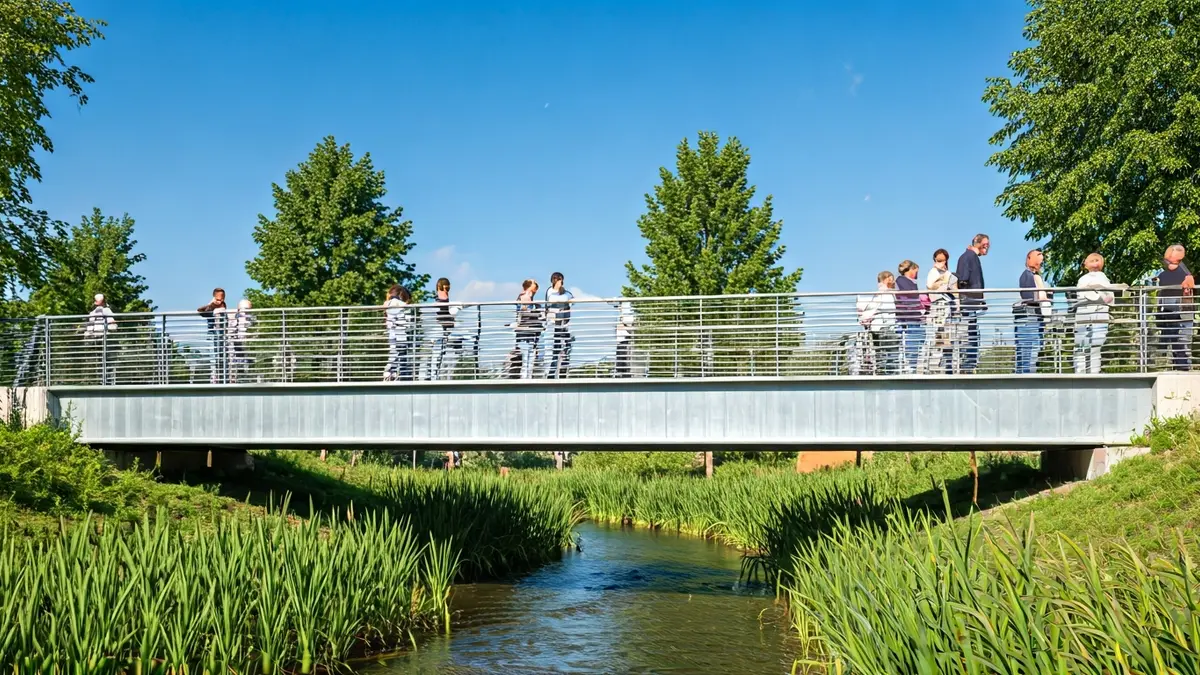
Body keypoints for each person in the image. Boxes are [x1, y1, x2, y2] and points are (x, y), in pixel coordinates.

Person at [1073, 253, 1115, 374]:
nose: (1095, 263)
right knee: (1081, 343)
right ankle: (1079, 370)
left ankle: (1095, 370)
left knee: (1097, 343)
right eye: (1092, 260)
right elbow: (1080, 295)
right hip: (1084, 313)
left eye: (1098, 260)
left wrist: (1098, 296)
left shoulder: (1104, 278)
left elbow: (1109, 298)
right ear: (1085, 264)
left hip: (1100, 312)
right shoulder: (1082, 279)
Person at [954, 234, 989, 374]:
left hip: (972, 303)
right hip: (968, 304)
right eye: (985, 243)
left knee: (973, 336)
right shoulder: (968, 257)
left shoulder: (971, 257)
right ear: (977, 242)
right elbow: (962, 279)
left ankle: (970, 365)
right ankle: (967, 367)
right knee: (970, 336)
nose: (987, 246)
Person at [1157, 245, 1194, 371]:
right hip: (1169, 309)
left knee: (1182, 340)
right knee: (1172, 340)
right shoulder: (1163, 275)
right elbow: (1161, 295)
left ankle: (1183, 367)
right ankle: (1176, 367)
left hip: (1182, 308)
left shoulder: (1185, 274)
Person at [922, 248, 958, 374]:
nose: (942, 262)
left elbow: (954, 290)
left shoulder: (948, 274)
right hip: (938, 305)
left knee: (947, 337)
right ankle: (934, 366)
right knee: (937, 334)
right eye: (939, 260)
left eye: (944, 260)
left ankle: (947, 366)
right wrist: (943, 279)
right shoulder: (933, 272)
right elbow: (930, 286)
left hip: (948, 306)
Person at [1015, 249, 1051, 374]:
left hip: (1034, 316)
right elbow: (1028, 295)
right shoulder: (1028, 275)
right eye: (1037, 256)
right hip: (1030, 316)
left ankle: (1027, 373)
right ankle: (1026, 375)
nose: (1040, 259)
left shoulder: (1034, 276)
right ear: (1029, 258)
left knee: (1031, 350)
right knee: (1028, 350)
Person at [858, 271, 898, 375]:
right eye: (891, 279)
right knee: (891, 353)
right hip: (885, 327)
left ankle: (881, 372)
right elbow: (887, 310)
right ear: (886, 279)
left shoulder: (877, 294)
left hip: (876, 327)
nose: (893, 282)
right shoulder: (887, 294)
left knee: (880, 352)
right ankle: (889, 374)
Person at [424, 278, 461, 380]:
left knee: (434, 355)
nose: (447, 290)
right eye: (446, 287)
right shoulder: (442, 297)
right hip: (439, 329)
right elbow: (442, 314)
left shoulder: (437, 298)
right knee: (437, 354)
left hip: (437, 329)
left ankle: (431, 376)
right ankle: (433, 377)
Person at [895, 260, 925, 374]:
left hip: (913, 317)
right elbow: (905, 300)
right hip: (910, 317)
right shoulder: (902, 282)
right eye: (916, 271)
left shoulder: (907, 282)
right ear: (911, 270)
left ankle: (912, 367)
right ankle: (911, 368)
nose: (917, 274)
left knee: (918, 341)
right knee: (913, 344)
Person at [544, 272, 574, 379]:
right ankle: (550, 374)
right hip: (553, 324)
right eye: (556, 279)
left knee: (566, 349)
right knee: (552, 349)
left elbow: (571, 300)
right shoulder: (550, 291)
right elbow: (551, 300)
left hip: (564, 324)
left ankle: (563, 373)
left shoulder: (566, 292)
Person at [83, 293, 117, 384]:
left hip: (99, 339)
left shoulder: (97, 312)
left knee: (102, 360)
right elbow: (113, 325)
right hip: (101, 339)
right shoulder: (103, 311)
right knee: (105, 361)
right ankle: (105, 381)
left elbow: (90, 328)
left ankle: (103, 381)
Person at [514, 279, 543, 380]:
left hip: (531, 330)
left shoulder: (530, 298)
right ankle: (525, 377)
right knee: (526, 354)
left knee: (531, 354)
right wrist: (537, 313)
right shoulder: (524, 296)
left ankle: (528, 376)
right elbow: (524, 312)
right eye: (534, 284)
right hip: (525, 329)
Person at [198, 288, 227, 384]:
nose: (221, 301)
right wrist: (211, 304)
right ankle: (214, 380)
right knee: (214, 359)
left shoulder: (223, 306)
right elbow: (200, 311)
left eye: (222, 298)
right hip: (213, 336)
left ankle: (222, 379)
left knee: (222, 358)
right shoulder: (211, 307)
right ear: (214, 298)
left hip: (222, 336)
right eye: (219, 299)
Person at [383, 285, 412, 381]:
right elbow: (408, 321)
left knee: (393, 353)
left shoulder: (387, 304)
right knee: (402, 355)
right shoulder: (402, 305)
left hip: (391, 333)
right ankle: (400, 375)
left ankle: (390, 374)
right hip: (401, 334)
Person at [228, 299, 256, 382]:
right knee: (238, 367)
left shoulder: (254, 321)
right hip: (237, 349)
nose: (246, 314)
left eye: (248, 311)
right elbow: (230, 335)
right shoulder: (234, 320)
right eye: (244, 310)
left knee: (248, 367)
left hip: (248, 350)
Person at [615, 300, 635, 377]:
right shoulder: (621, 315)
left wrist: (624, 323)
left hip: (625, 340)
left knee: (624, 358)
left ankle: (624, 374)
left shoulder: (627, 316)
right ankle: (619, 373)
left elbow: (630, 327)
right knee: (620, 359)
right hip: (620, 340)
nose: (619, 308)